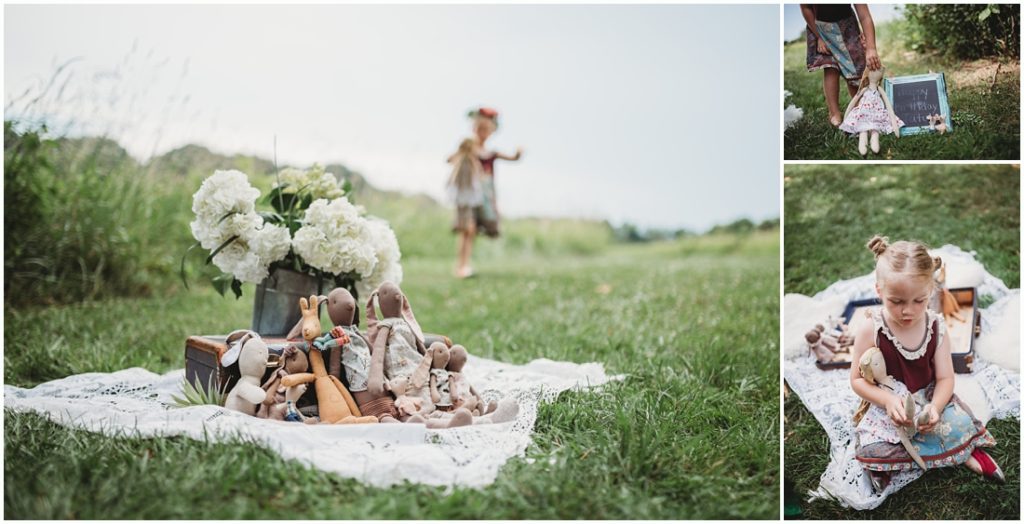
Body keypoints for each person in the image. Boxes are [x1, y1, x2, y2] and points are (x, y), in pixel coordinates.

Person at [850, 235, 1002, 491]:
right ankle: (951, 453)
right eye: (896, 301)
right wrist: (887, 401)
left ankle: (966, 451)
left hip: (927, 397)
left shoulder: (935, 327)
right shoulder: (870, 328)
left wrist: (935, 407)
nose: (907, 311)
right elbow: (856, 380)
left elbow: (945, 379)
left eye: (918, 301)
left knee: (961, 424)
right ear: (879, 291)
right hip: (889, 403)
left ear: (930, 292)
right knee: (872, 446)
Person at [447, 107, 523, 279]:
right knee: (468, 228)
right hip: (468, 194)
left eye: (486, 130)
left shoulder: (491, 153)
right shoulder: (468, 147)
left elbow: (512, 158)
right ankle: (462, 266)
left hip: (485, 194)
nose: (482, 133)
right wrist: (465, 154)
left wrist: (518, 153)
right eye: (479, 128)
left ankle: (464, 264)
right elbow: (450, 159)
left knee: (473, 230)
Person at [800, 4, 882, 127]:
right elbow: (806, 8)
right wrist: (819, 37)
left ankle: (859, 107)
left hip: (848, 27)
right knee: (831, 68)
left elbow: (865, 16)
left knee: (855, 70)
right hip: (822, 29)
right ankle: (834, 113)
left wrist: (871, 48)